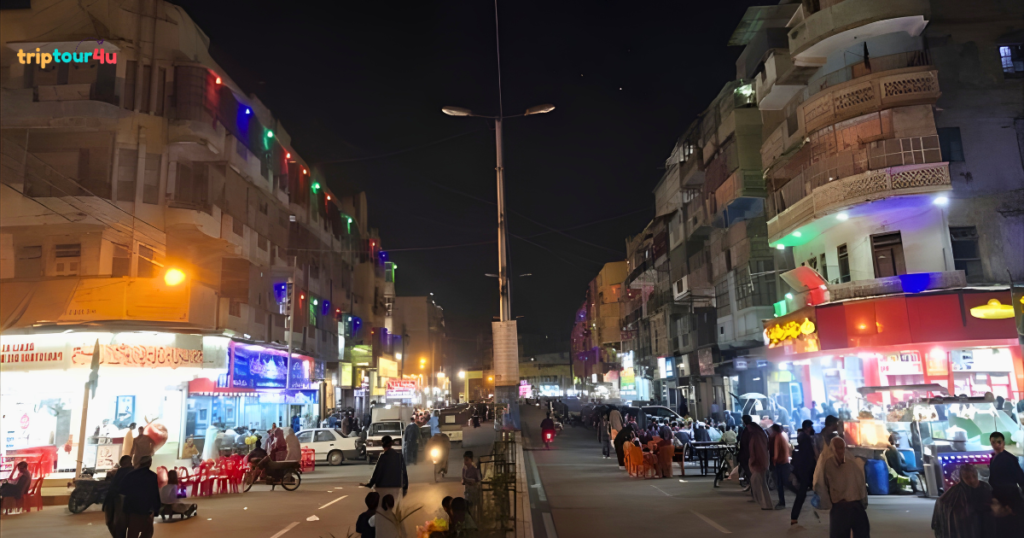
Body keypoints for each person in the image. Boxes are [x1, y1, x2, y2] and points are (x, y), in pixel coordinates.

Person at [815, 437, 869, 538]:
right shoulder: (853, 461)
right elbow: (861, 484)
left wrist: (826, 503)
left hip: (841, 507)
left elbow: (820, 484)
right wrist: (863, 502)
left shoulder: (827, 462)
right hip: (855, 506)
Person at [932, 464, 992, 538]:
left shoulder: (985, 487)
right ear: (961, 478)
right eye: (967, 477)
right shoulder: (954, 492)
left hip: (985, 524)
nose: (972, 480)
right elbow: (942, 502)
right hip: (967, 529)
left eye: (974, 476)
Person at [119, 456, 161, 538]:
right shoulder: (152, 476)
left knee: (132, 532)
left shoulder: (130, 474)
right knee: (147, 531)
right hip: (145, 508)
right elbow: (154, 494)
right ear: (150, 463)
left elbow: (122, 490)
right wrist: (155, 509)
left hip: (132, 508)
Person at [362, 436, 409, 505]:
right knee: (394, 507)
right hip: (396, 486)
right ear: (391, 444)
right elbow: (404, 472)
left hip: (382, 487)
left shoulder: (383, 457)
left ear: (382, 445)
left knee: (382, 507)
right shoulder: (399, 456)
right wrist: (405, 487)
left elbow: (377, 473)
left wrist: (370, 484)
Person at [790, 420, 816, 525]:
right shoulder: (806, 440)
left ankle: (794, 517)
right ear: (808, 428)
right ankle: (794, 517)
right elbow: (810, 456)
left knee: (801, 493)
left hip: (802, 470)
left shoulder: (801, 437)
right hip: (807, 470)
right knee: (802, 493)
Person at [745, 416, 773, 510]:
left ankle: (766, 504)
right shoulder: (761, 435)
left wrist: (753, 461)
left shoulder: (757, 437)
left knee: (760, 484)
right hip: (762, 461)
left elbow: (757, 451)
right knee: (762, 484)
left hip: (759, 462)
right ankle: (766, 504)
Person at [102, 456, 133, 537]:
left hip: (114, 499)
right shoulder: (132, 471)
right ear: (130, 463)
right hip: (124, 501)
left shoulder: (117, 473)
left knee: (114, 524)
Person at [771, 423, 792, 510]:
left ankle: (781, 502)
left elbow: (776, 454)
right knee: (787, 482)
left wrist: (773, 461)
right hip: (786, 461)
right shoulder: (784, 435)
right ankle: (799, 494)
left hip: (780, 463)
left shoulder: (777, 437)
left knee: (780, 484)